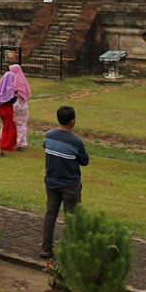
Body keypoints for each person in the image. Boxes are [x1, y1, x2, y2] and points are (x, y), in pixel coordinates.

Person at [41, 105, 90, 259]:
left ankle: (46, 249)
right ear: (73, 121)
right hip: (70, 185)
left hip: (51, 182)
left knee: (50, 215)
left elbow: (46, 148)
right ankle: (70, 252)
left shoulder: (48, 135)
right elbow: (85, 161)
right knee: (72, 219)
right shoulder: (76, 142)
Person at [0, 68, 18, 155]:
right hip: (7, 109)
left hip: (0, 109)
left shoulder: (0, 87)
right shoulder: (10, 89)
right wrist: (16, 95)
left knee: (12, 125)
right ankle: (1, 148)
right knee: (7, 129)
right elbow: (11, 100)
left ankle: (14, 142)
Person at [11, 64, 32, 150]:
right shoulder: (23, 81)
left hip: (15, 105)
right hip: (23, 105)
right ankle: (21, 142)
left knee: (15, 123)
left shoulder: (14, 82)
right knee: (22, 124)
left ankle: (17, 142)